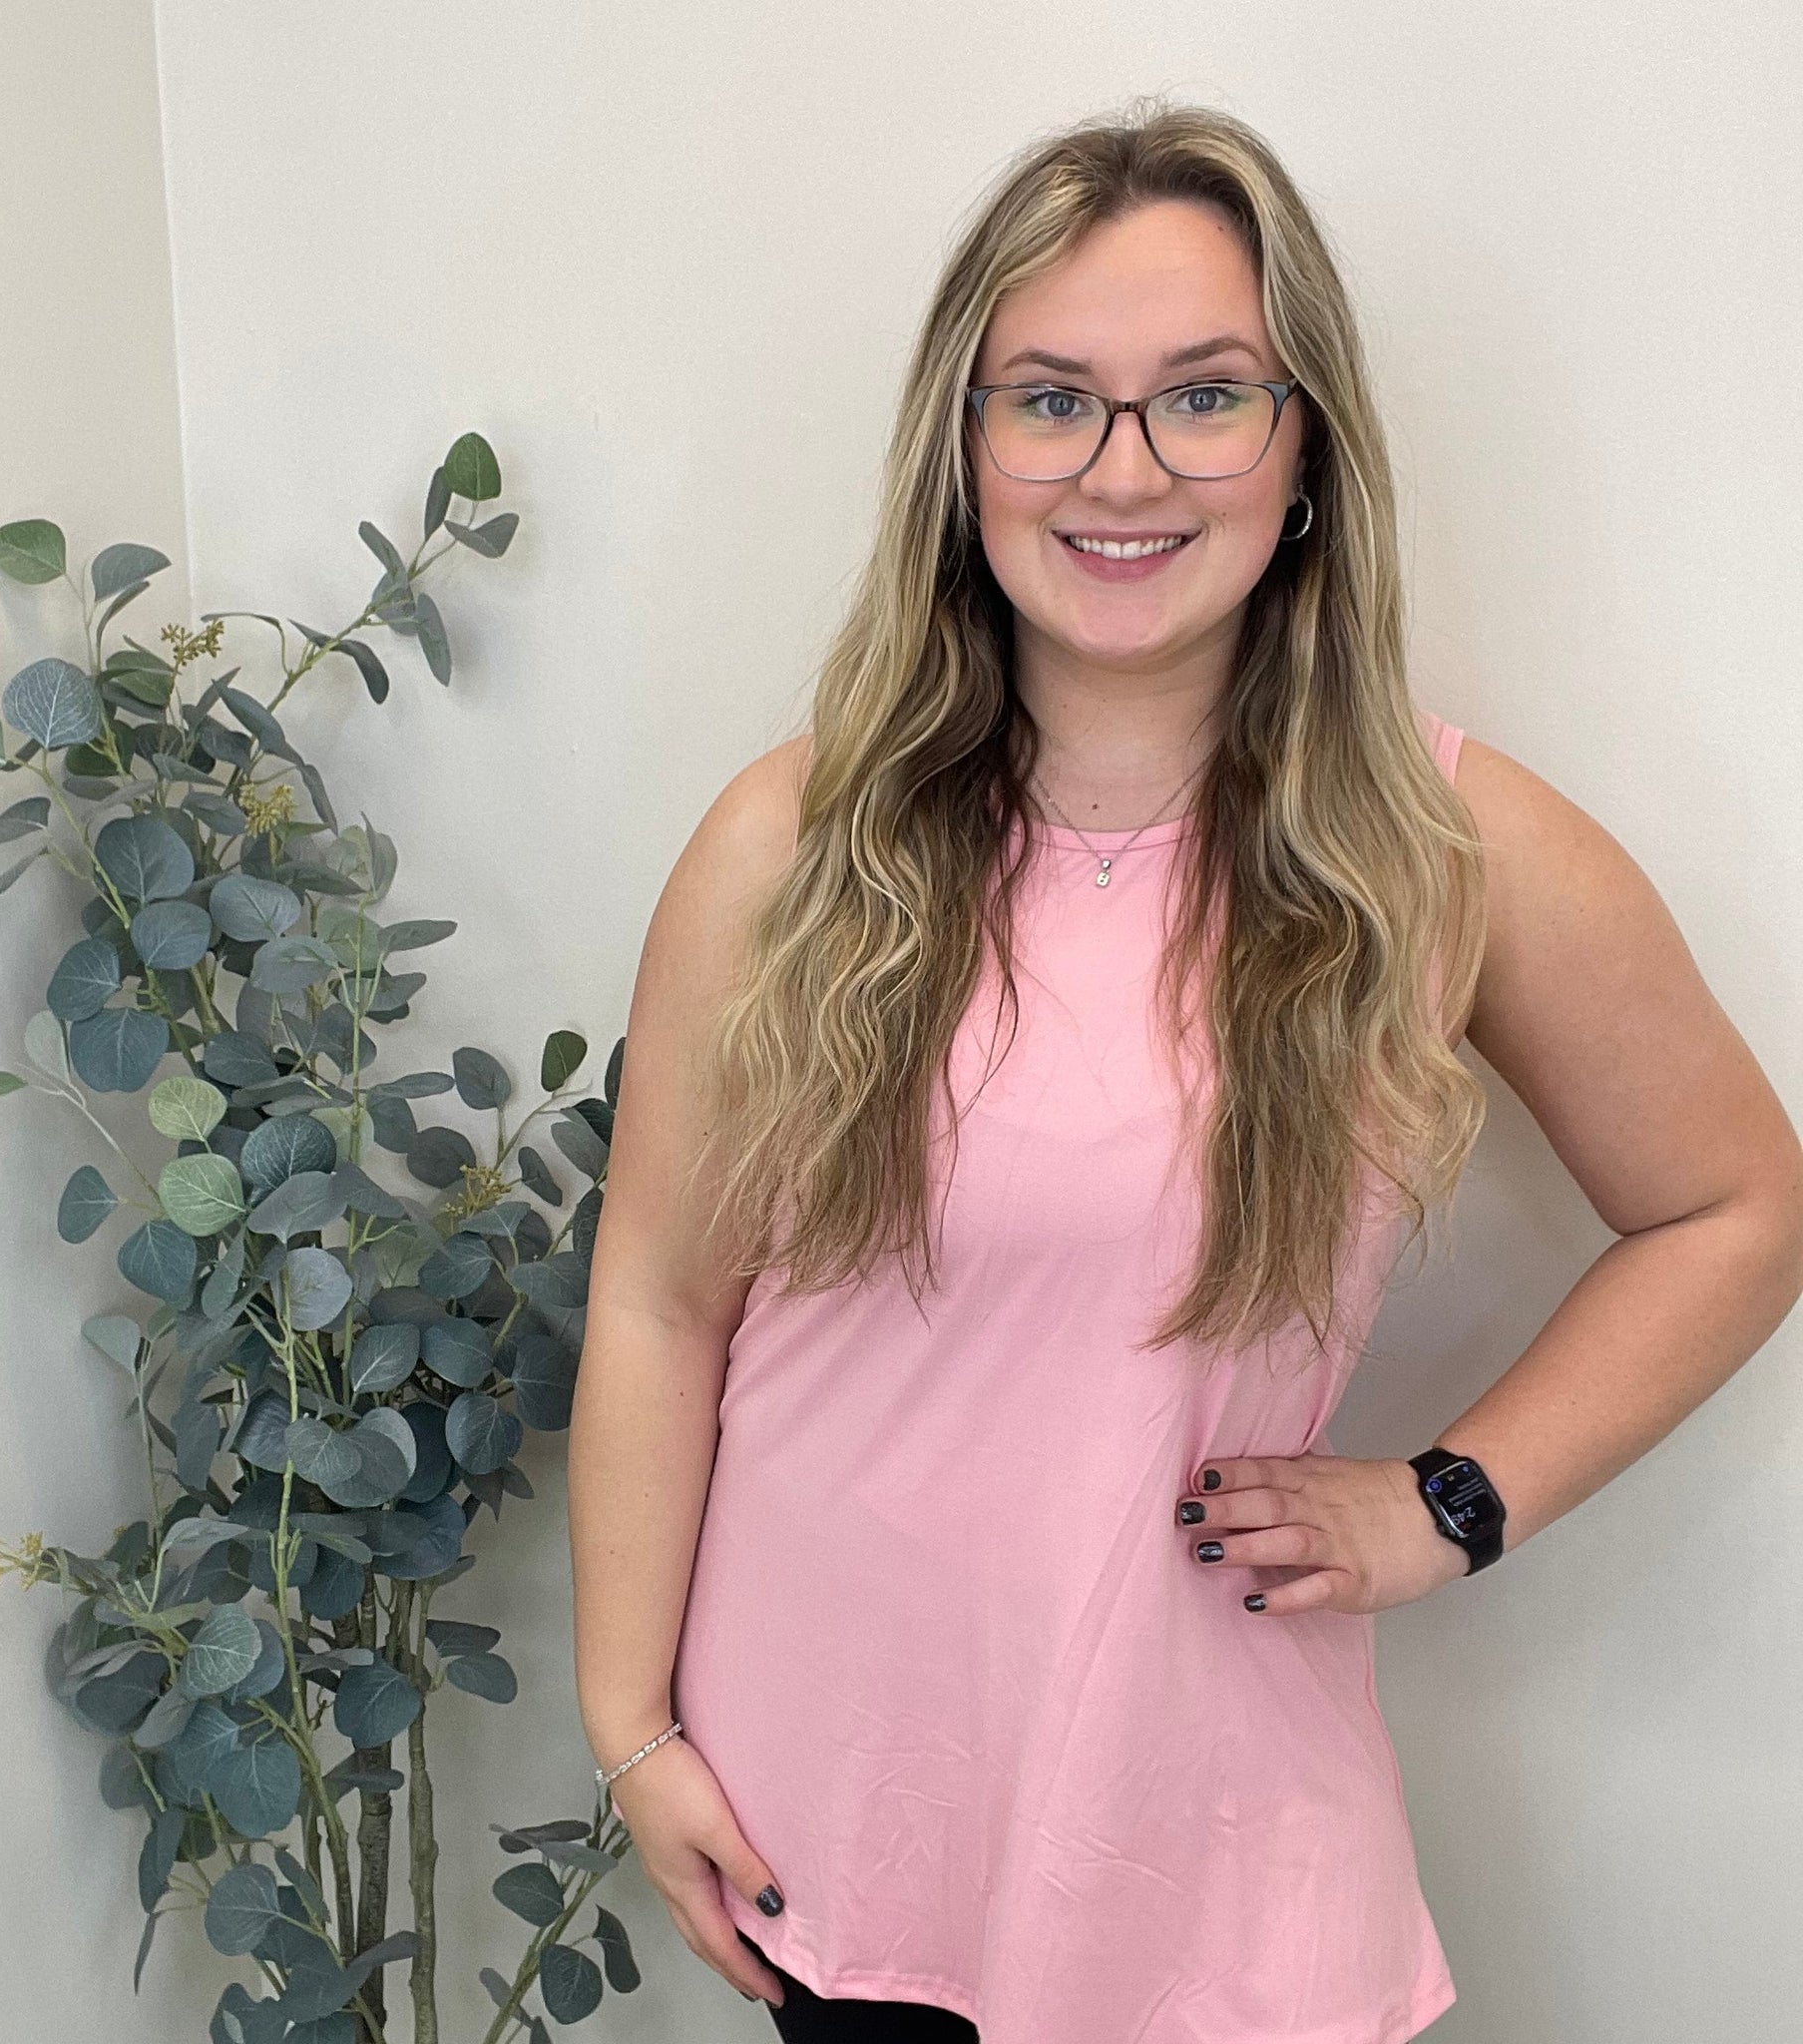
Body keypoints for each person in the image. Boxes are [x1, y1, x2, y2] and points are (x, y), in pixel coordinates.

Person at [565, 98, 1803, 2044]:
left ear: (1300, 445)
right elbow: (655, 1300)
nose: (1121, 467)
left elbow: (1734, 1205)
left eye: (1204, 395)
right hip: (834, 1843)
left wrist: (1442, 1503)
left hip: (1211, 1866)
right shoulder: (786, 845)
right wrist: (630, 1729)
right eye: (1048, 398)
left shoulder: (1449, 852)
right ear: (959, 449)